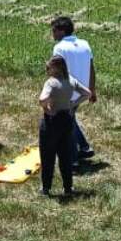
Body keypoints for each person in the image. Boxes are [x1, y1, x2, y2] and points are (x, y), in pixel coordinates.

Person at [38, 55, 92, 197]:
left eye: (48, 68)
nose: (47, 70)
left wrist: (47, 109)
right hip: (67, 120)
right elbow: (87, 93)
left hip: (51, 122)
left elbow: (42, 99)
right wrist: (73, 104)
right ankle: (68, 188)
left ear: (56, 68)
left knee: (47, 155)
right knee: (65, 155)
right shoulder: (71, 80)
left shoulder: (51, 83)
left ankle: (46, 188)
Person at [51, 16, 97, 166]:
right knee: (70, 119)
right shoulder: (85, 44)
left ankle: (73, 159)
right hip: (82, 91)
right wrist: (92, 89)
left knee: (65, 123)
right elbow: (91, 68)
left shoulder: (59, 48)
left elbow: (57, 71)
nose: (53, 34)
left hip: (67, 92)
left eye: (54, 31)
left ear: (62, 31)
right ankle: (84, 147)